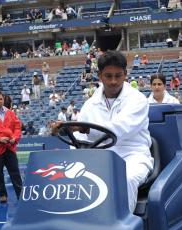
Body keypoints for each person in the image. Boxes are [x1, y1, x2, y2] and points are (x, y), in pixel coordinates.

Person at [51, 51, 153, 213]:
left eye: (118, 76)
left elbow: (119, 128)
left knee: (126, 179)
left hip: (132, 155)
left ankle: (122, 228)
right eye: (108, 76)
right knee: (67, 180)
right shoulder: (90, 104)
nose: (113, 81)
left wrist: (84, 128)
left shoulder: (137, 100)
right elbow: (78, 137)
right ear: (100, 76)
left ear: (125, 75)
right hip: (99, 157)